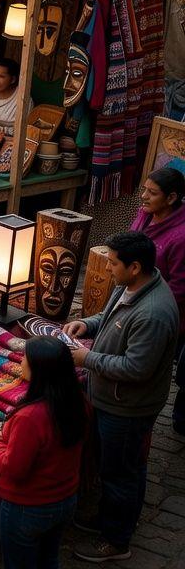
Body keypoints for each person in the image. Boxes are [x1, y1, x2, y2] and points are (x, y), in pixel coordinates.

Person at [64, 231, 179, 563]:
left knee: (121, 473)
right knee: (124, 467)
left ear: (135, 267)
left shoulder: (154, 313)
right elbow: (109, 318)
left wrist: (88, 360)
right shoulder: (130, 286)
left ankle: (116, 541)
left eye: (113, 263)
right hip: (110, 399)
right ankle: (114, 519)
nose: (107, 267)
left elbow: (136, 368)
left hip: (127, 406)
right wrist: (86, 324)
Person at [0, 337, 87, 569]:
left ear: (39, 370)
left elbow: (13, 468)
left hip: (27, 507)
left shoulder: (31, 417)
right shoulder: (75, 400)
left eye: (25, 359)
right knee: (49, 560)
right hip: (64, 500)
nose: (21, 362)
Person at [132, 167, 185, 434]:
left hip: (160, 313)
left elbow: (179, 288)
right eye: (144, 189)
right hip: (134, 300)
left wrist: (145, 304)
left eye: (151, 193)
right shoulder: (145, 214)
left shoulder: (181, 237)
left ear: (172, 198)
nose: (143, 197)